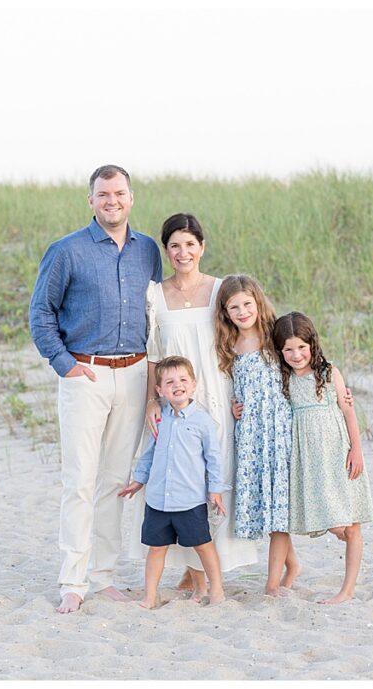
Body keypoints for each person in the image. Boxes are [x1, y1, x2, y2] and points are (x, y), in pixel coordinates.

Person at [29, 164, 163, 614]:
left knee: (115, 481)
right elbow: (41, 313)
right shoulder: (66, 251)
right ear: (91, 200)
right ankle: (73, 580)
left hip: (134, 373)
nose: (112, 201)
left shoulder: (147, 250)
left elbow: (155, 312)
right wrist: (64, 365)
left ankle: (104, 576)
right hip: (84, 374)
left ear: (131, 197)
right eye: (103, 195)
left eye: (119, 193)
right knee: (80, 482)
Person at [129, 213, 257, 601]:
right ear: (165, 250)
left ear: (202, 246)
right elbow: (153, 353)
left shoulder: (221, 290)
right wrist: (153, 399)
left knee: (213, 479)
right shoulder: (155, 293)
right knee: (177, 477)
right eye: (174, 246)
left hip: (216, 393)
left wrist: (248, 396)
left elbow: (247, 337)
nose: (183, 252)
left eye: (190, 244)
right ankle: (190, 571)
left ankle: (208, 570)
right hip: (172, 400)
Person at [272, 311, 373, 604]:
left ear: (312, 344)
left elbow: (348, 412)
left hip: (336, 452)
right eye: (289, 349)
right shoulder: (283, 378)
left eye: (301, 347)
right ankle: (331, 545)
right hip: (307, 459)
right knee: (332, 519)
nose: (296, 354)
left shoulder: (329, 372)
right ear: (280, 351)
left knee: (352, 522)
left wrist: (357, 449)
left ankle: (347, 589)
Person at [214, 274, 300, 597]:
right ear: (225, 311)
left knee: (279, 506)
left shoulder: (274, 335)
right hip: (250, 435)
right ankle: (293, 563)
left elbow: (303, 362)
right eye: (233, 307)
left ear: (257, 302)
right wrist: (235, 408)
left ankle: (272, 582)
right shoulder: (229, 344)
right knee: (264, 505)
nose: (242, 311)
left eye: (247, 304)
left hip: (278, 431)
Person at [118, 356, 228, 608]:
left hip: (190, 500)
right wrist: (138, 480)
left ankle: (217, 589)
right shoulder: (159, 419)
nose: (177, 385)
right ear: (160, 390)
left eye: (182, 380)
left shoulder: (202, 421)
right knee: (156, 549)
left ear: (193, 384)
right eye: (169, 382)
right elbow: (149, 453)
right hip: (158, 500)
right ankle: (149, 595)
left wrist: (216, 490)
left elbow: (213, 459)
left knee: (203, 545)